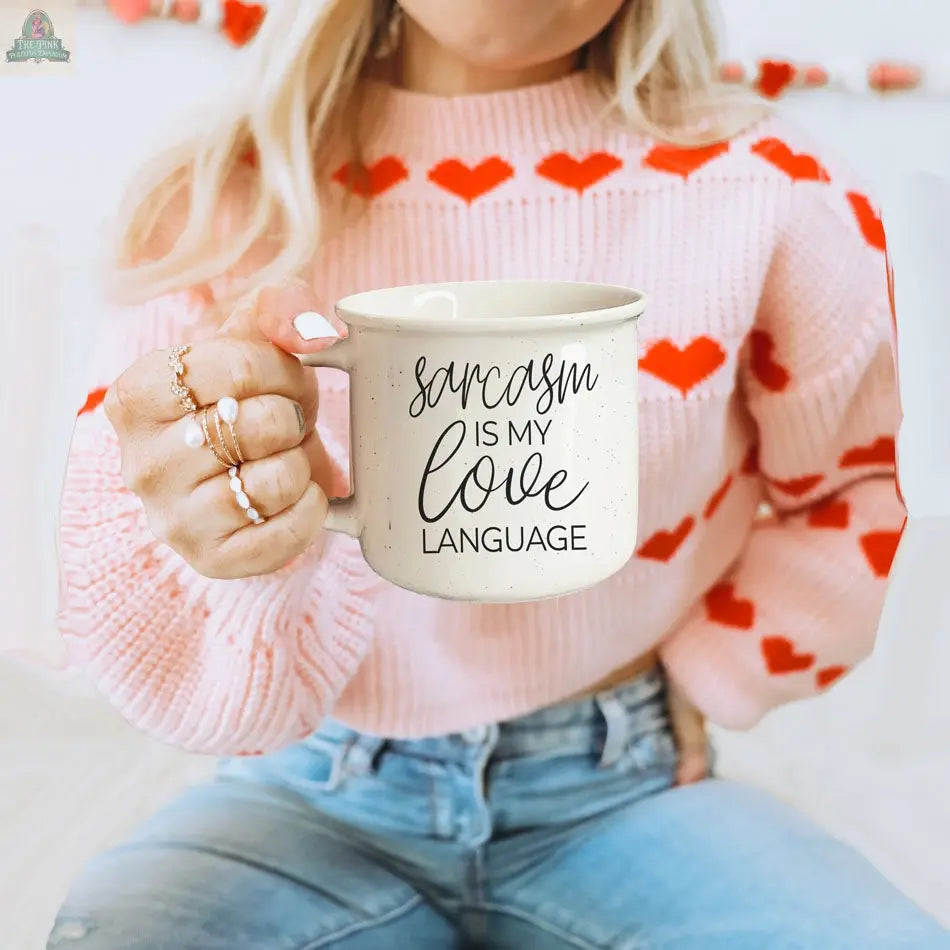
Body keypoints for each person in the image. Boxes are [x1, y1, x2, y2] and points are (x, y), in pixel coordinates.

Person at [48, 1, 948, 947]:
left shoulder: (769, 189)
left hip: (626, 786)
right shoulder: (225, 197)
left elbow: (868, 486)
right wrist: (232, 540)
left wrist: (718, 670)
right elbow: (146, 584)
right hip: (299, 793)